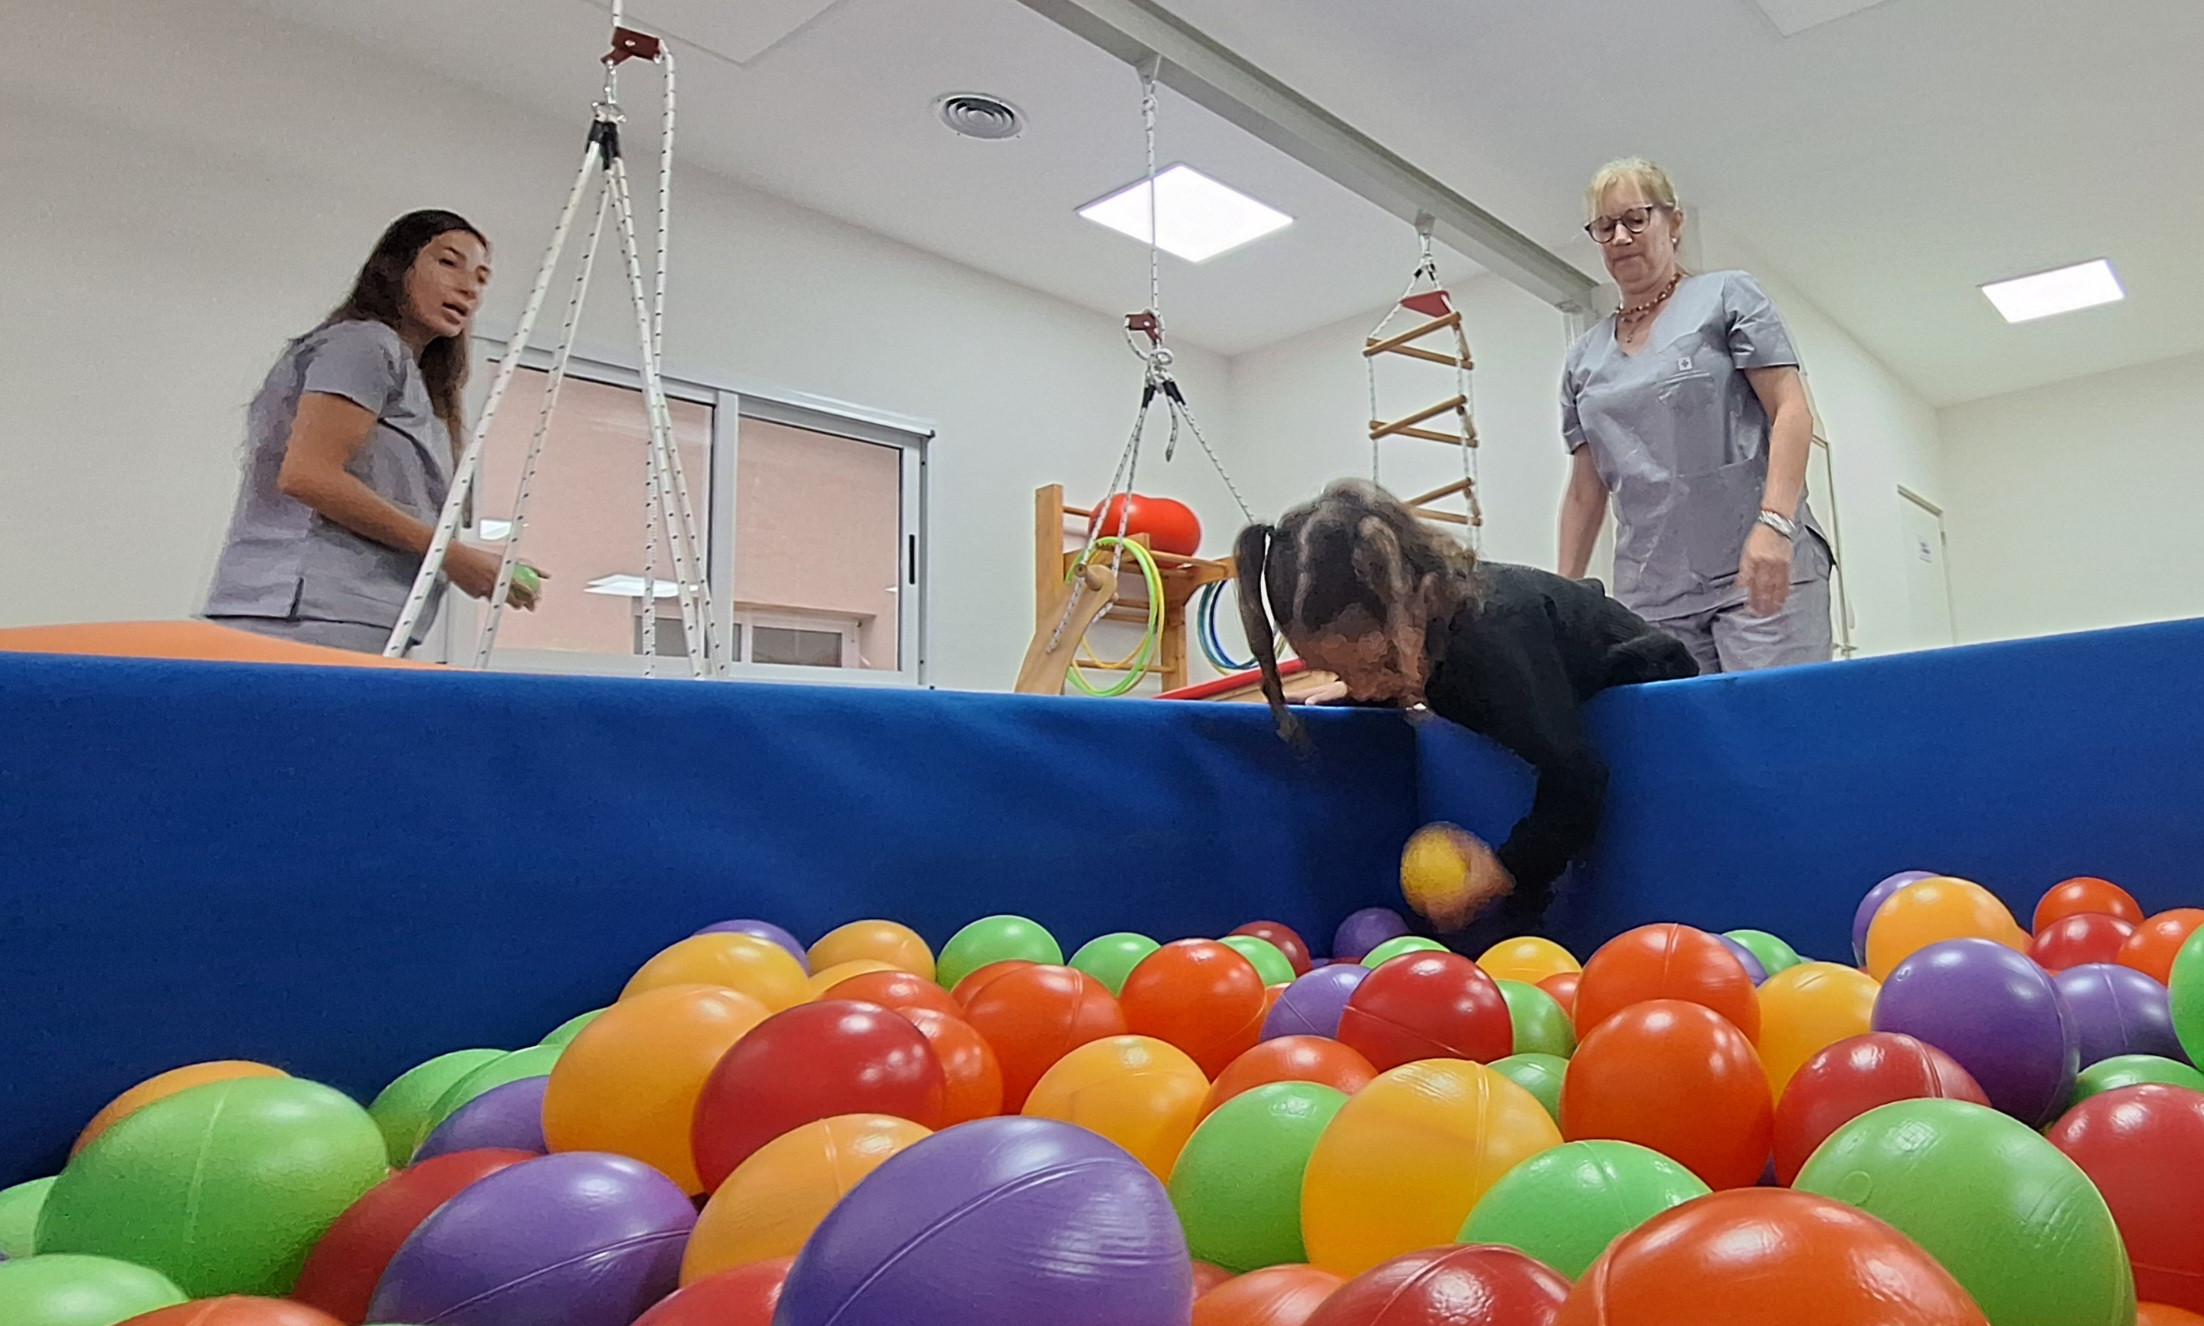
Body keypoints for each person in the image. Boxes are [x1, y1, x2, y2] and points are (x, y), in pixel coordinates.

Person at [1235, 480, 1697, 933]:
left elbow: (1578, 775)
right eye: (1337, 671)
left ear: (1427, 598)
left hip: (1651, 690)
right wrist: (1366, 688)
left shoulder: (1491, 648)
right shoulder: (1420, 642)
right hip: (1556, 705)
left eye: (1381, 662)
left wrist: (1503, 869)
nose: (1365, 685)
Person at [204, 210, 541, 654]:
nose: (469, 287)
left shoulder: (416, 386)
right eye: (448, 263)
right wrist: (452, 556)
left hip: (355, 615)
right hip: (308, 612)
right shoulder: (363, 345)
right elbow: (309, 475)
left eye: (481, 278)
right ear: (398, 267)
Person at [1557, 158, 1834, 673]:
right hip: (1652, 593)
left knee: (1774, 736)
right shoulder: (1583, 358)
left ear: (1674, 223)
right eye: (1605, 226)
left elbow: (1791, 409)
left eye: (1636, 219)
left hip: (1759, 571)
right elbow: (1584, 489)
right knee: (1682, 742)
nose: (1620, 237)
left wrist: (1775, 524)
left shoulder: (1727, 295)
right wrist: (1561, 605)